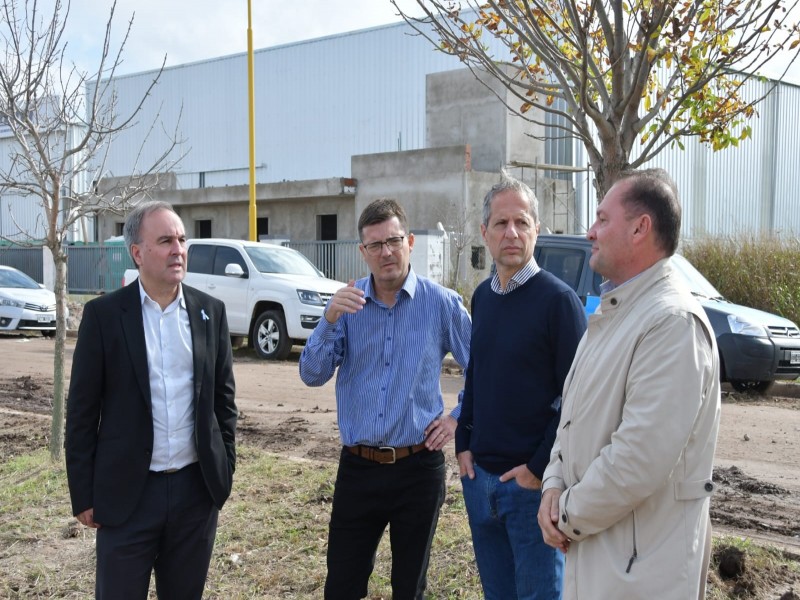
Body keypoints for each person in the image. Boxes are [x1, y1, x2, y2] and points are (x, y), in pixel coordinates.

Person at [537, 169, 721, 599]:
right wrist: (552, 486)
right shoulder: (613, 314)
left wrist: (564, 512)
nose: (590, 232)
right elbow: (571, 420)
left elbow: (639, 457)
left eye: (602, 219)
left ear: (640, 228)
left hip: (640, 571)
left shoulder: (671, 323)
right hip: (599, 554)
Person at [299, 198, 471, 600]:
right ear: (363, 252)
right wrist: (328, 320)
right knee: (341, 585)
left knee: (409, 588)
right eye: (374, 245)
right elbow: (311, 375)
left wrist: (457, 417)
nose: (386, 252)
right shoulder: (347, 304)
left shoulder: (441, 303)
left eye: (393, 241)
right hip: (358, 467)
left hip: (418, 468)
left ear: (409, 241)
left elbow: (482, 367)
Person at [65, 201, 238, 600]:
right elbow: (81, 413)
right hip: (127, 495)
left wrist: (223, 469)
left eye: (181, 239)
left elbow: (223, 403)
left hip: (195, 495)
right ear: (137, 253)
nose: (178, 249)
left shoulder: (210, 312)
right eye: (165, 241)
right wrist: (84, 495)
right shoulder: (104, 317)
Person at [455, 175, 586, 599]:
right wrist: (463, 442)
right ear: (484, 233)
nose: (511, 233)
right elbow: (476, 376)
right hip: (480, 484)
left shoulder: (558, 301)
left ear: (537, 229)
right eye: (501, 223)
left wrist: (536, 469)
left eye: (522, 222)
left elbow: (578, 400)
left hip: (531, 492)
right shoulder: (483, 297)